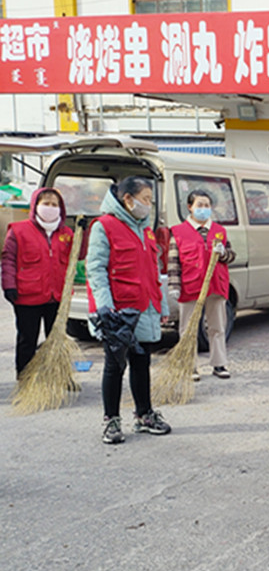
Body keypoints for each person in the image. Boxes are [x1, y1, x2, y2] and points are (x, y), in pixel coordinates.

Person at [86, 176, 171, 444]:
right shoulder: (104, 226)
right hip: (119, 310)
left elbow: (153, 270)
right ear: (127, 199)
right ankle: (111, 420)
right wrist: (104, 305)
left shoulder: (145, 228)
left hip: (145, 306)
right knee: (114, 366)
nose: (148, 205)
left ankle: (144, 415)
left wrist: (162, 304)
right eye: (145, 199)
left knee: (142, 362)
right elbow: (95, 268)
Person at [1, 188, 74, 377]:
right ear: (35, 205)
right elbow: (8, 259)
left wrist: (84, 232)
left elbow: (78, 256)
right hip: (27, 295)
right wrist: (8, 285)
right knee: (27, 340)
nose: (50, 208)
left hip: (57, 296)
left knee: (57, 340)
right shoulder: (19, 230)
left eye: (54, 205)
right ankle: (25, 378)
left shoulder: (66, 233)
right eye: (45, 203)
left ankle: (59, 377)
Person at [168, 190, 236, 380]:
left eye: (207, 205)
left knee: (217, 326)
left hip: (216, 285)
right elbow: (173, 261)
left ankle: (219, 364)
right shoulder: (179, 232)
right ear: (190, 207)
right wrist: (174, 285)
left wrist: (223, 253)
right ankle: (190, 366)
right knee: (188, 328)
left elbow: (231, 256)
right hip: (190, 285)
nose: (204, 209)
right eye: (199, 205)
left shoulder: (219, 231)